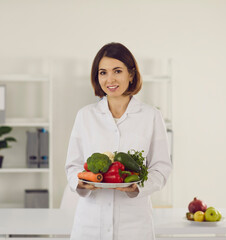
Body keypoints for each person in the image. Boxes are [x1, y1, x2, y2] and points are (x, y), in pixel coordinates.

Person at [65, 42, 172, 240]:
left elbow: (161, 167)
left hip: (134, 226)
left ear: (131, 75)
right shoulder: (85, 116)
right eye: (103, 72)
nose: (110, 79)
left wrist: (138, 188)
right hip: (90, 225)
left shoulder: (151, 116)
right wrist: (80, 183)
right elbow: (72, 165)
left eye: (117, 71)